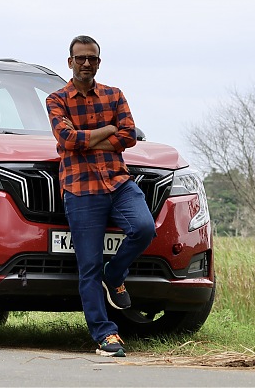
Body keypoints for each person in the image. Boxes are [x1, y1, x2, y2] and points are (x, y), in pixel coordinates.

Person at [46, 35, 156, 357]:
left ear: (98, 62)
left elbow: (129, 136)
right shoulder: (57, 99)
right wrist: (107, 131)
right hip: (80, 188)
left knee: (144, 227)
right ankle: (105, 335)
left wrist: (94, 137)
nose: (86, 63)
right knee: (89, 266)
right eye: (80, 58)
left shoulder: (114, 94)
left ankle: (116, 273)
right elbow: (66, 139)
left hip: (118, 181)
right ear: (70, 62)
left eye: (91, 58)